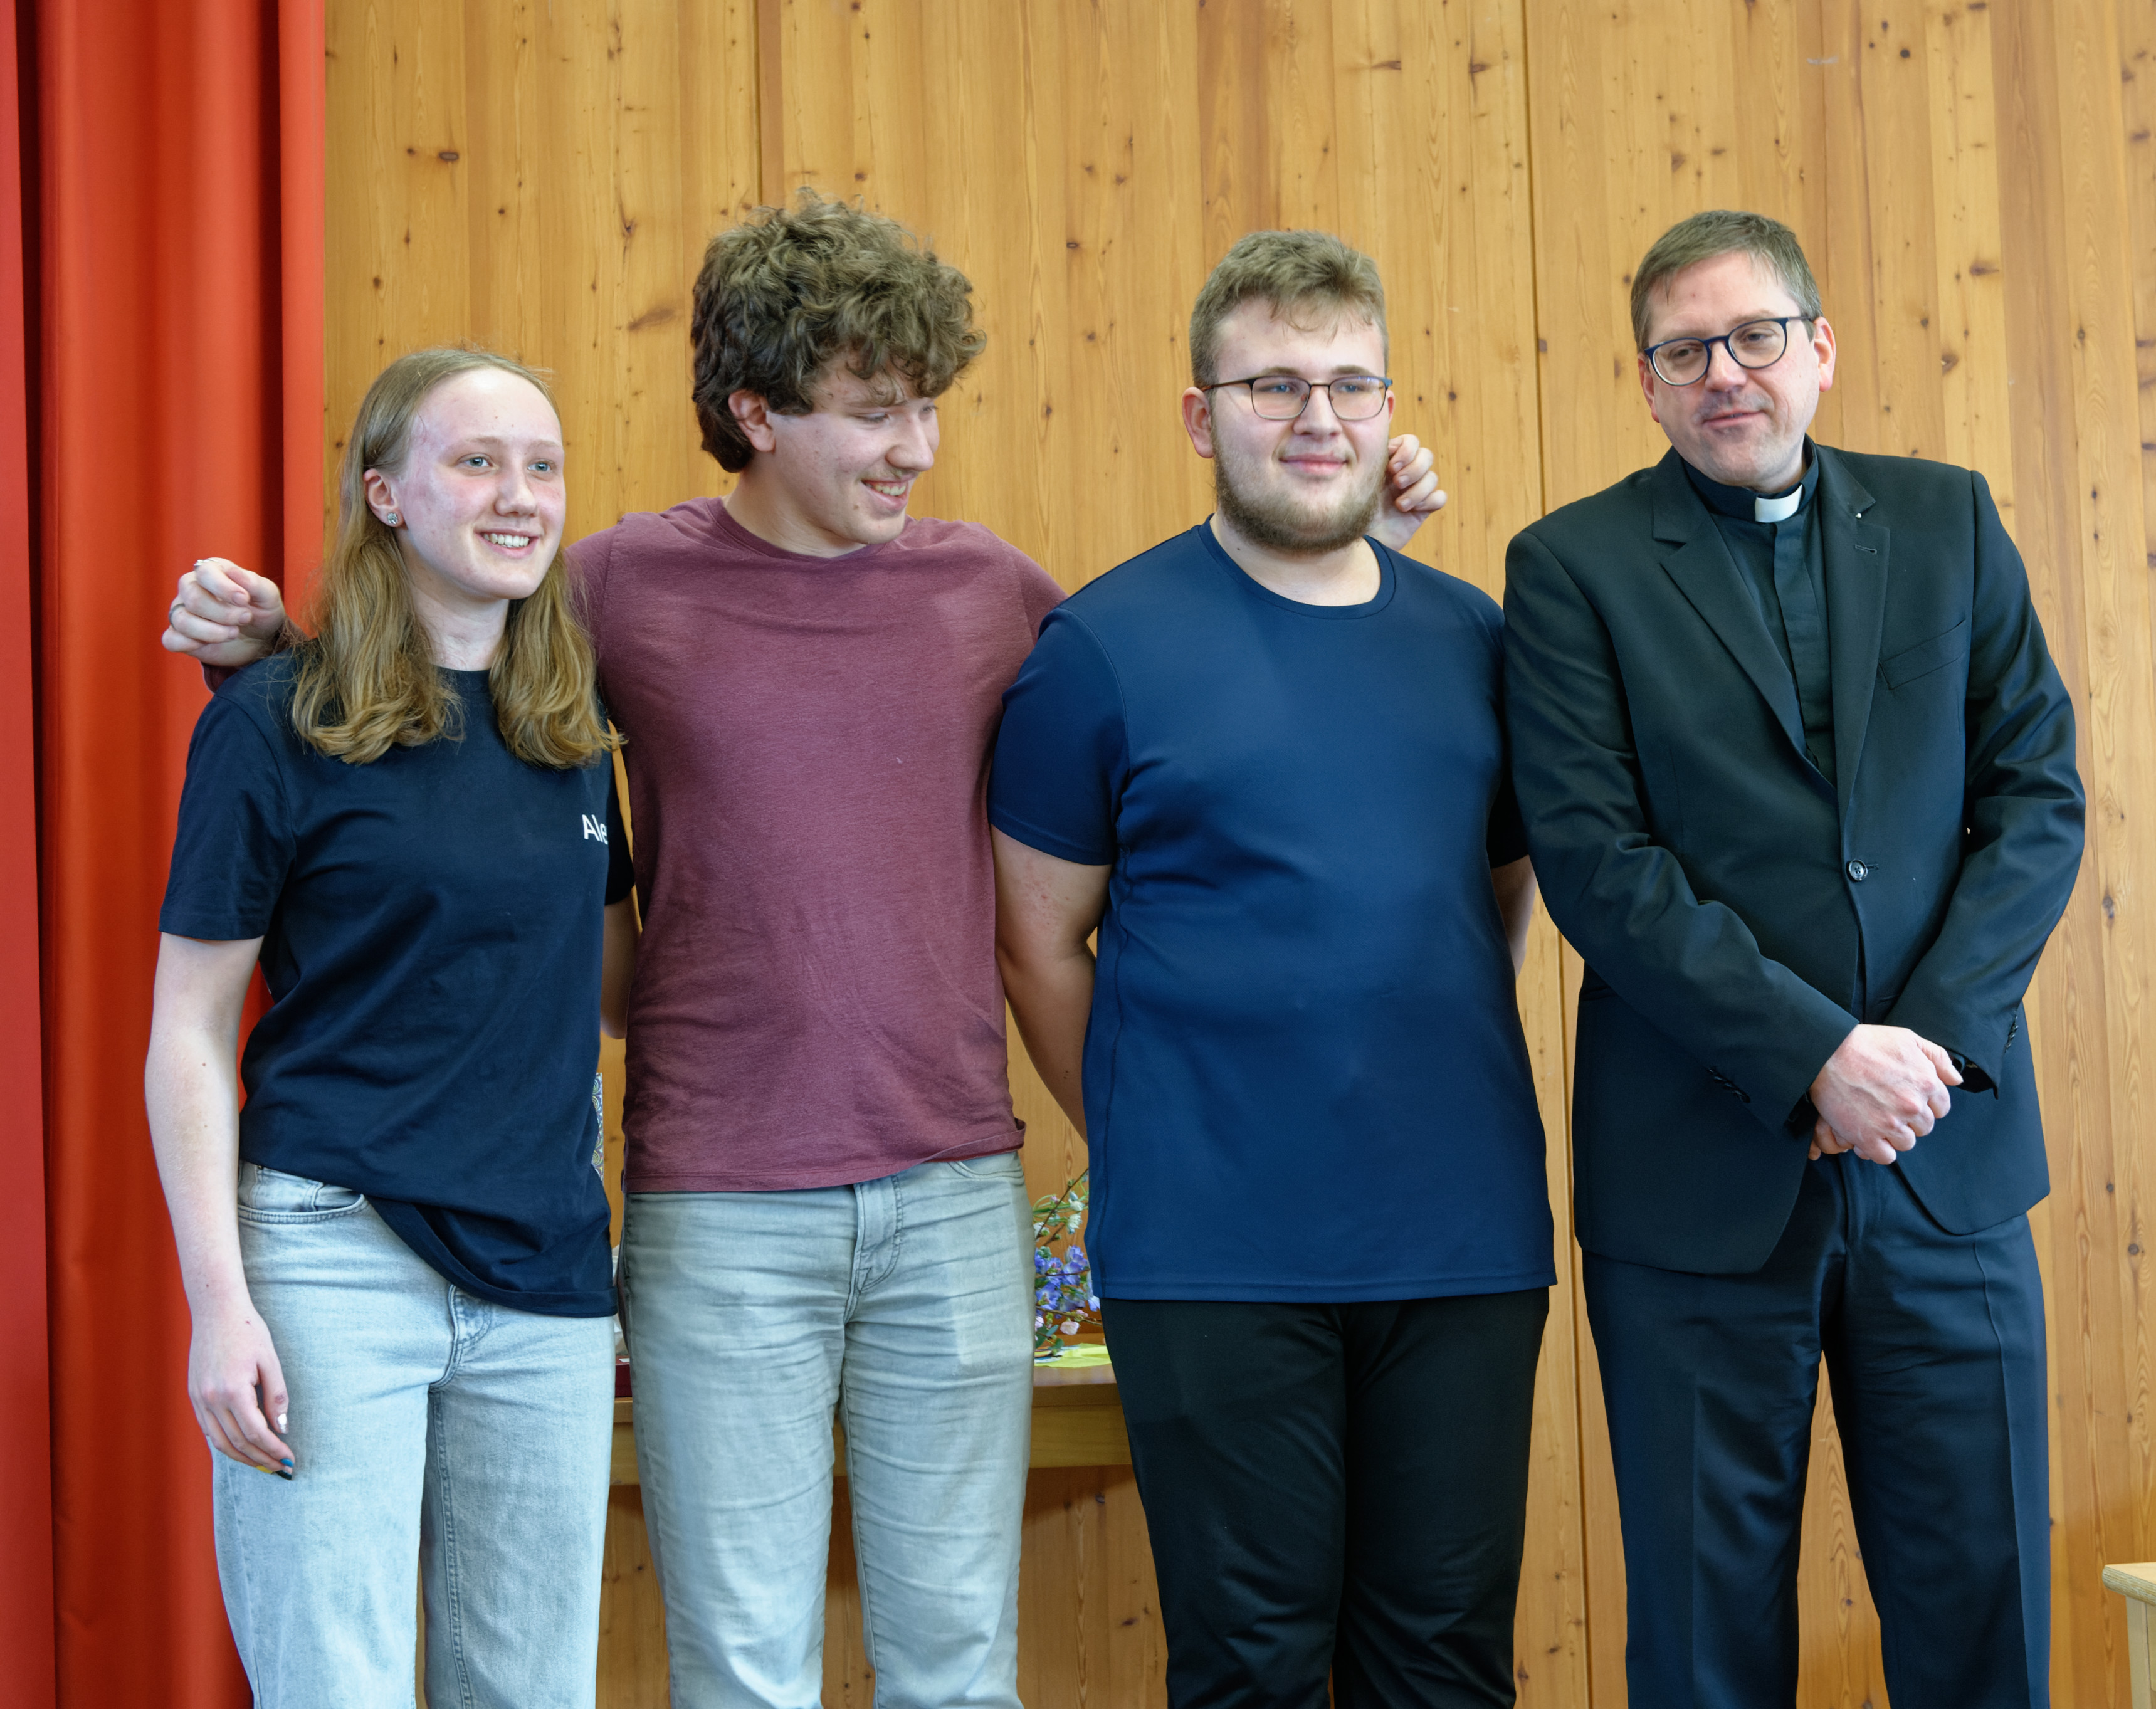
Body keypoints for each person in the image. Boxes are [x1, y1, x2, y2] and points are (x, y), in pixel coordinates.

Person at [162, 193, 1451, 1709]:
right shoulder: (611, 590)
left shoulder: (993, 594)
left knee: (956, 1670)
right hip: (716, 1203)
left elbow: (1193, 699)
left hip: (953, 1193)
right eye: (874, 413)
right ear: (755, 413)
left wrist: (1359, 539)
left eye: (926, 408)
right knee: (742, 1672)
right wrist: (270, 659)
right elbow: (426, 685)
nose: (915, 448)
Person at [1501, 209, 2085, 1707]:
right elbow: (1598, 864)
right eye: (1682, 352)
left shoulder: (1948, 520)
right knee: (1703, 1651)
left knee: (1984, 1630)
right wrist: (1814, 1055)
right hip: (1694, 1180)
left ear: (1817, 349)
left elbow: (2035, 798)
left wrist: (1920, 1052)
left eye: (1752, 337)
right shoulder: (1569, 569)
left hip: (1943, 1158)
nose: (1723, 374)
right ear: (1644, 383)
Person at [986, 229, 1554, 1709]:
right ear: (1201, 416)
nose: (1318, 417)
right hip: (1211, 1247)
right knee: (1252, 1669)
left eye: (1350, 384)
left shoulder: (1475, 641)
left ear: (1387, 406)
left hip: (1459, 1238)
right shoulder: (1099, 649)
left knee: (1443, 1666)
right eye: (1274, 385)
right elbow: (1037, 942)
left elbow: (1490, 898)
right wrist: (1154, 1134)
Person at [145, 347, 634, 1705]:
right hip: (332, 1263)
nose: (519, 495)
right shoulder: (275, 718)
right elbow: (188, 1030)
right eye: (476, 461)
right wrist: (220, 1304)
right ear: (386, 495)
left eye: (542, 466)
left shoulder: (572, 734)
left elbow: (616, 991)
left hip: (545, 1281)